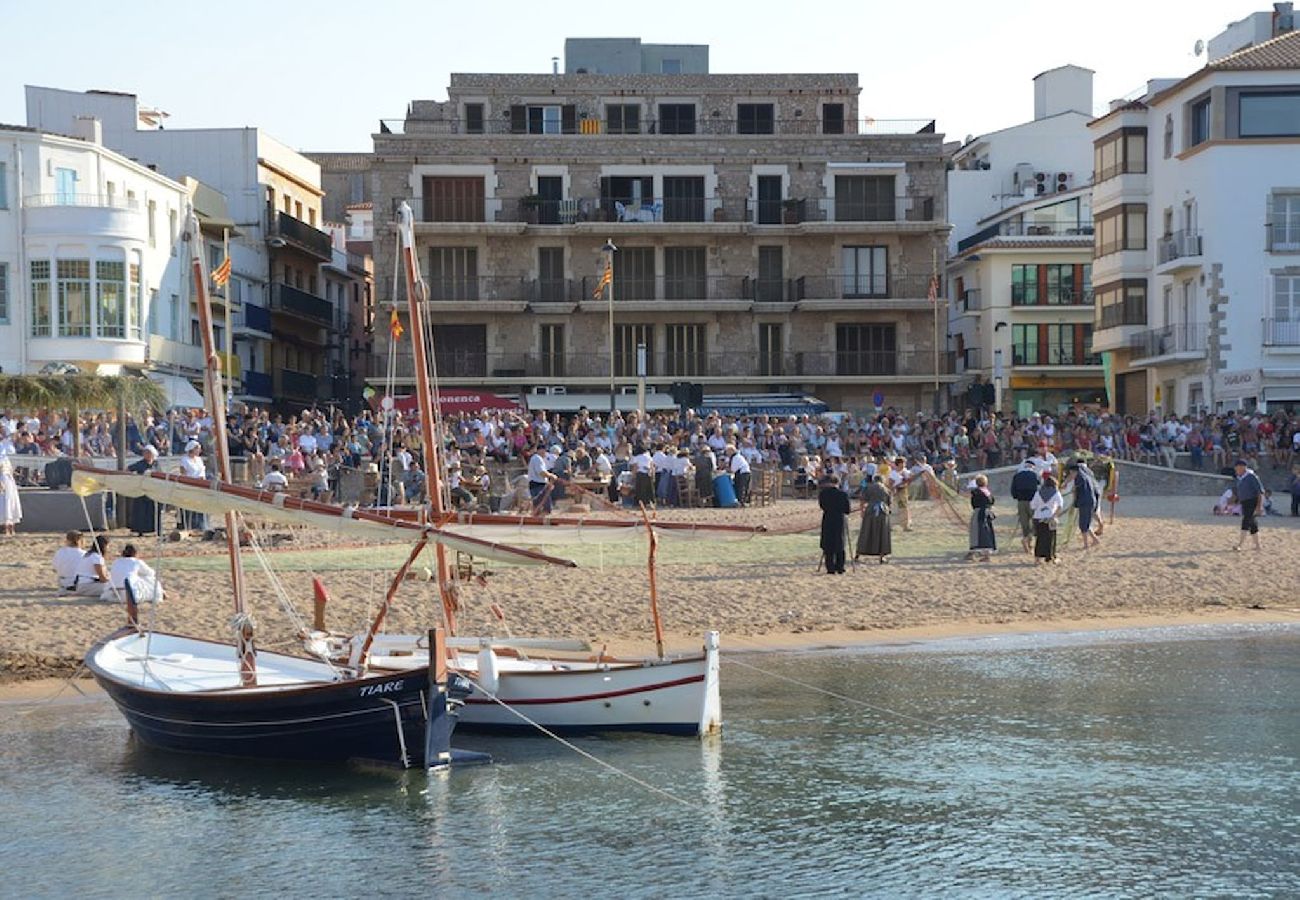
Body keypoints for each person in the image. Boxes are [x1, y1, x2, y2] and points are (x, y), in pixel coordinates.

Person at [817, 474, 852, 574]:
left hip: (828, 518)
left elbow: (822, 506)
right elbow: (847, 510)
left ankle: (830, 567)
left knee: (828, 543)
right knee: (840, 542)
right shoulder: (842, 494)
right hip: (839, 519)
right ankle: (840, 567)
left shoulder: (822, 494)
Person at [855, 474, 893, 564]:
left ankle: (858, 554)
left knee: (866, 532)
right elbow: (889, 503)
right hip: (883, 512)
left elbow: (863, 500)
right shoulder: (886, 489)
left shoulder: (869, 487)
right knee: (882, 534)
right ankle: (882, 556)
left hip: (871, 510)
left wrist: (862, 510)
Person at [126, 445, 160, 536]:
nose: (147, 455)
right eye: (145, 453)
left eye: (149, 453)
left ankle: (154, 529)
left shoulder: (156, 464)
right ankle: (140, 530)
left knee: (153, 511)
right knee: (140, 511)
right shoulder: (140, 464)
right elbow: (128, 469)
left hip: (153, 490)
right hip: (142, 490)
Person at [1030, 473, 1064, 564]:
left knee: (1040, 538)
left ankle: (1037, 558)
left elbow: (1032, 506)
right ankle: (1050, 557)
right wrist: (1055, 515)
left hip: (1038, 517)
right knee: (1051, 538)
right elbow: (1060, 506)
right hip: (1050, 517)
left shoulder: (1038, 492)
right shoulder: (1056, 493)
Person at [1232, 458, 1264, 552]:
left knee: (1246, 521)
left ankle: (1240, 544)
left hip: (1252, 501)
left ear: (1242, 467)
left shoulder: (1251, 476)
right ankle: (1258, 545)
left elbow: (1260, 492)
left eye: (1237, 468)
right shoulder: (1240, 478)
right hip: (1245, 502)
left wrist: (1259, 506)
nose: (1236, 470)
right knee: (1252, 523)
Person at [1010, 458, 1040, 554]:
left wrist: (1017, 497)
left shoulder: (1017, 476)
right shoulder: (1035, 475)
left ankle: (1027, 543)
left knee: (1024, 523)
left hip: (1021, 502)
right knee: (1035, 522)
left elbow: (1013, 491)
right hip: (1033, 501)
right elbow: (1038, 488)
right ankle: (1029, 541)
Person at [1069, 461, 1101, 551]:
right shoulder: (1086, 476)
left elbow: (1076, 491)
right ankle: (1095, 540)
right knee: (1086, 523)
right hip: (1090, 501)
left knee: (1083, 524)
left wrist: (1074, 502)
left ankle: (1086, 544)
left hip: (1085, 502)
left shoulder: (1079, 478)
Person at [967, 473, 996, 562]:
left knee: (977, 533)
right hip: (987, 513)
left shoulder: (977, 492)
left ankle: (976, 554)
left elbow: (973, 502)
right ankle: (976, 553)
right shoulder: (987, 492)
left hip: (979, 513)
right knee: (986, 532)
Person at [0, 457, 22, 535]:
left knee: (11, 502)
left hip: (9, 481)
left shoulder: (6, 458)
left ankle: (12, 527)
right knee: (4, 503)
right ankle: (6, 528)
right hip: (3, 481)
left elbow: (10, 470)